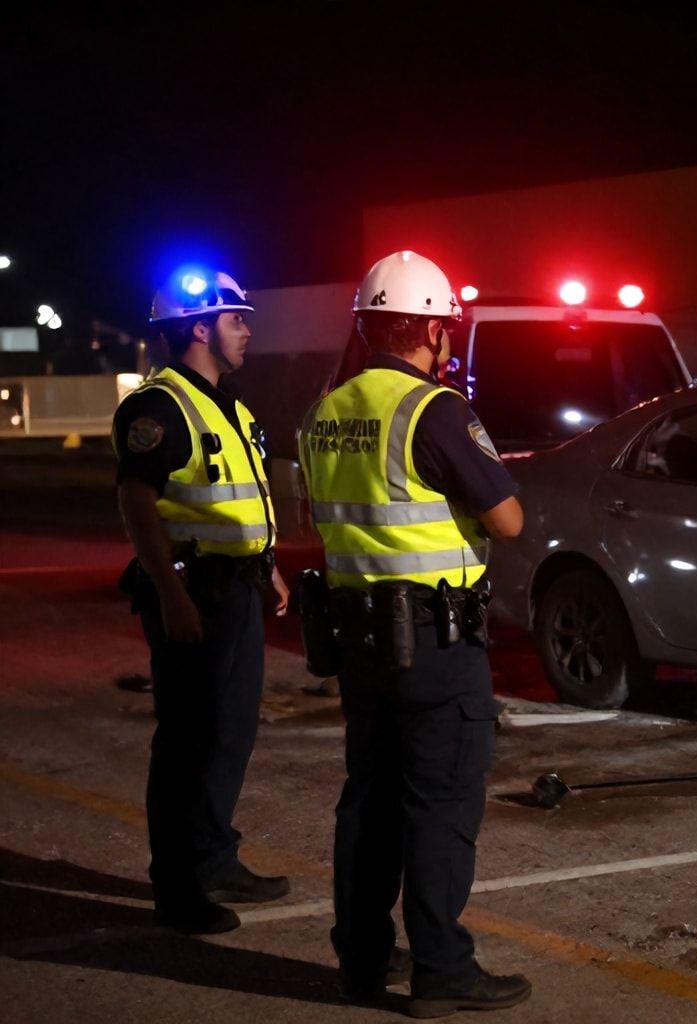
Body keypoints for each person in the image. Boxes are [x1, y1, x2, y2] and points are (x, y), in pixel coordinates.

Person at [298, 250, 529, 1014]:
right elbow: (507, 518)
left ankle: (363, 961)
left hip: (358, 641)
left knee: (368, 803)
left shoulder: (323, 412)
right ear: (431, 329)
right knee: (439, 806)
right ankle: (443, 972)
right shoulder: (436, 410)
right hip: (434, 642)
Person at [113, 268, 291, 934]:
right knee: (188, 740)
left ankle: (214, 858)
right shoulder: (159, 407)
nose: (246, 330)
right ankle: (177, 885)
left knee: (229, 733)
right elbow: (136, 502)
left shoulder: (228, 405)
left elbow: (238, 499)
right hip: (192, 593)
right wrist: (170, 594)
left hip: (235, 588)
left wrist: (267, 566)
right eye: (236, 319)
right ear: (199, 328)